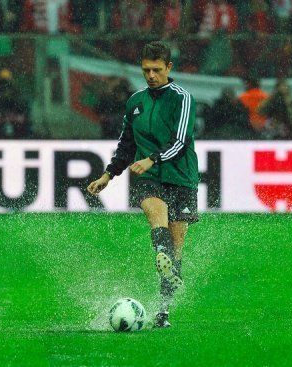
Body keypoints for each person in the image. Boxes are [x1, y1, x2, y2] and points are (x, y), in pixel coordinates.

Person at [87, 41, 199, 328]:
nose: (150, 75)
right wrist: (108, 175)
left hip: (181, 177)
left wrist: (151, 158)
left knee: (177, 247)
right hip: (149, 177)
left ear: (169, 68)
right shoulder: (135, 101)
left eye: (156, 70)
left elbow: (181, 141)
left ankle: (164, 311)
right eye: (146, 70)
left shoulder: (182, 98)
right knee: (155, 214)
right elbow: (126, 144)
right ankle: (162, 257)